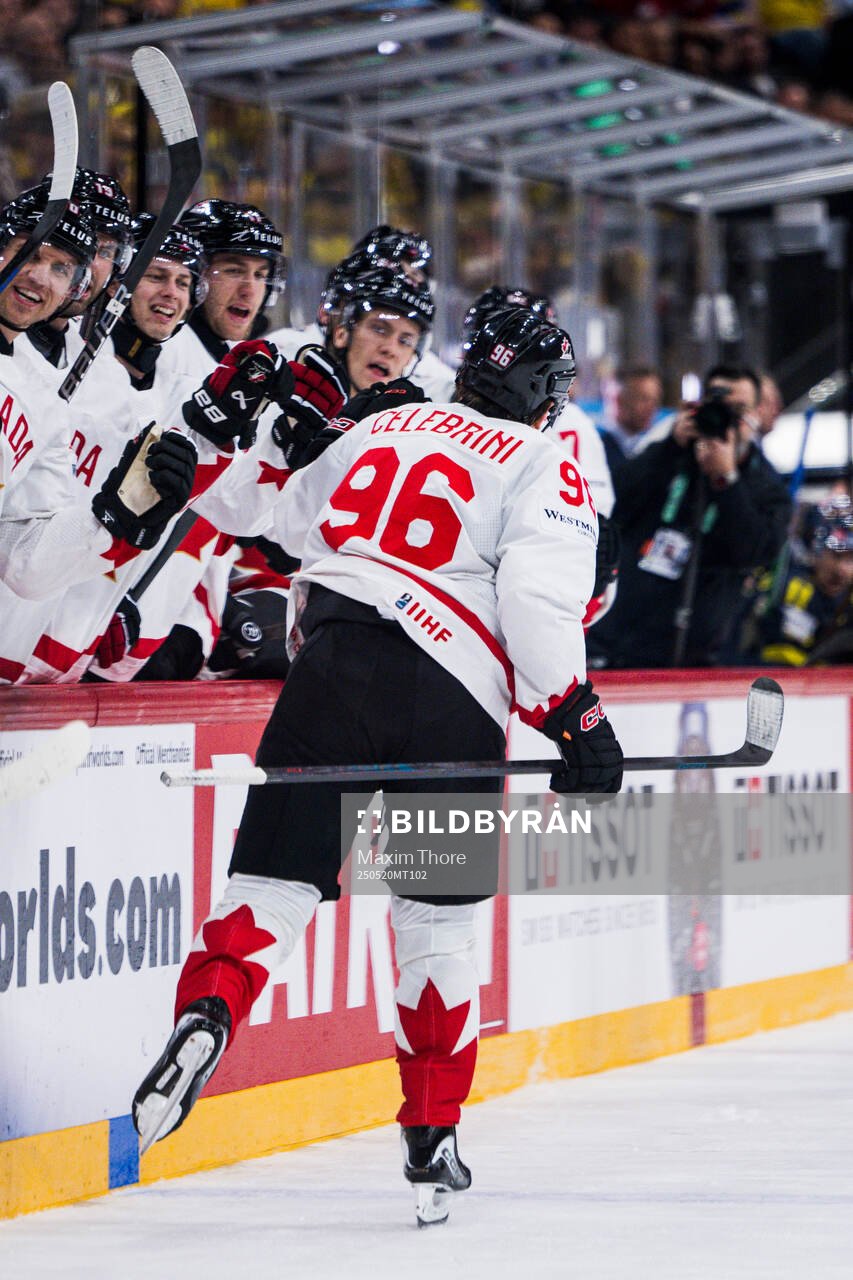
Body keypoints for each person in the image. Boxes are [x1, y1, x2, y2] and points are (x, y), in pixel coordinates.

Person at [131, 305, 623, 1226]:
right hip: (448, 702)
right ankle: (431, 1139)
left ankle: (209, 1015)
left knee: (269, 888)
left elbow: (267, 516)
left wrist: (217, 444)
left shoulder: (381, 422)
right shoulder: (538, 458)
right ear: (545, 397)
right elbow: (532, 596)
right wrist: (575, 718)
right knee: (434, 932)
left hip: (330, 666)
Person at [587, 364, 792, 669]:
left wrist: (726, 481)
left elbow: (753, 551)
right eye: (721, 407)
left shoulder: (766, 486)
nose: (729, 420)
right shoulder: (669, 455)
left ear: (757, 414)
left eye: (739, 409)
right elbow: (612, 505)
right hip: (621, 645)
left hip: (699, 659)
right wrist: (670, 447)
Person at [599, 365, 663, 481]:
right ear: (618, 400)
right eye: (643, 399)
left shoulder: (649, 446)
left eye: (655, 400)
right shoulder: (595, 446)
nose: (652, 407)